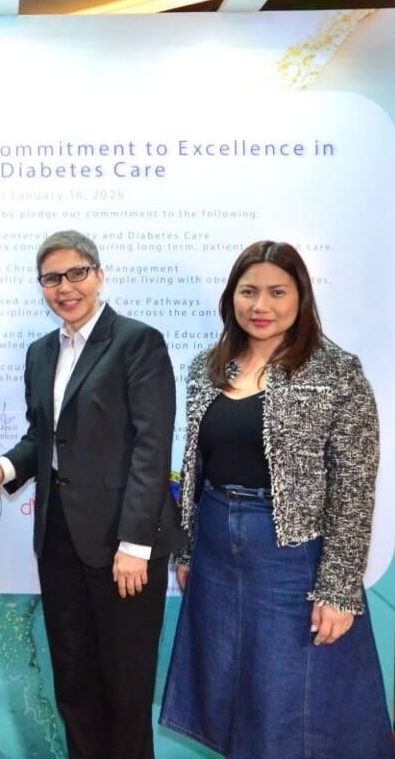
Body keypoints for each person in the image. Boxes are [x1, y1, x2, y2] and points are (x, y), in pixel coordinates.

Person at [160, 241, 391, 758]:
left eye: (276, 292)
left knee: (292, 704)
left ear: (300, 297)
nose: (260, 305)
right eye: (248, 292)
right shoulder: (207, 367)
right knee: (229, 694)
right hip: (217, 550)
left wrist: (338, 589)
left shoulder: (336, 371)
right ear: (232, 298)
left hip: (291, 556)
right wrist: (186, 549)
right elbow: (194, 466)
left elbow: (354, 485)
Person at [0, 229, 185, 759]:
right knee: (74, 683)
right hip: (60, 539)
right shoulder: (41, 352)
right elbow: (41, 438)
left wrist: (135, 545)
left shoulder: (138, 342)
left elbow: (151, 449)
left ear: (98, 275)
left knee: (125, 687)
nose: (65, 287)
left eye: (76, 273)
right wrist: (1, 468)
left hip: (123, 546)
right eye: (52, 278)